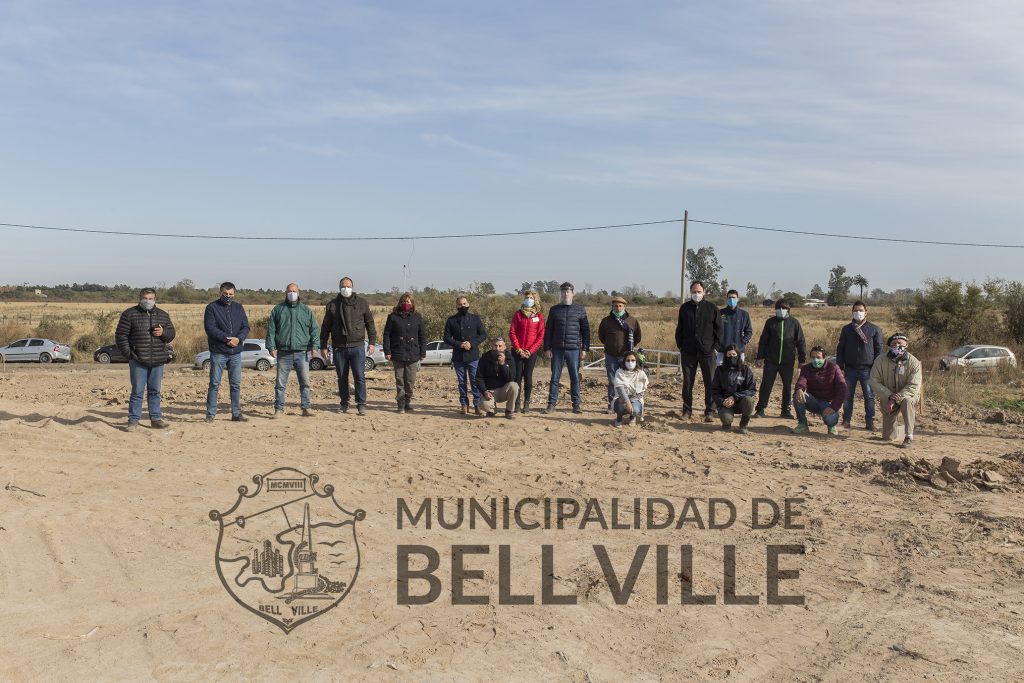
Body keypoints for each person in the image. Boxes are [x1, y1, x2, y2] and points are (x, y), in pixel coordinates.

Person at [115, 288, 176, 431]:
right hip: (138, 359)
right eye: (145, 298)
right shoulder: (129, 314)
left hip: (158, 360)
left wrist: (164, 332)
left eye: (150, 298)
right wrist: (129, 354)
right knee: (137, 391)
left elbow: (171, 334)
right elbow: (120, 336)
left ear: (155, 299)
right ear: (140, 298)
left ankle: (156, 419)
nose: (147, 301)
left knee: (155, 391)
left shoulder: (163, 315)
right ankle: (133, 421)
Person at [320, 277, 377, 416]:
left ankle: (361, 404)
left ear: (353, 287)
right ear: (339, 287)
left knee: (359, 377)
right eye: (343, 286)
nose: (346, 288)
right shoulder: (332, 305)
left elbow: (370, 324)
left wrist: (372, 342)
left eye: (348, 286)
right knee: (342, 377)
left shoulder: (362, 303)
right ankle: (344, 403)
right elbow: (325, 327)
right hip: (339, 347)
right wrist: (323, 346)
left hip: (357, 347)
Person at [266, 283, 320, 418]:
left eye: (294, 291)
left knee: (305, 383)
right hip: (284, 353)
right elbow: (271, 330)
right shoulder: (278, 309)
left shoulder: (306, 310)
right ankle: (279, 409)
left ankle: (306, 408)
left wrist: (315, 347)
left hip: (302, 353)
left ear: (298, 292)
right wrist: (271, 347)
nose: (292, 293)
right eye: (289, 291)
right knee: (280, 384)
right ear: (285, 293)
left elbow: (314, 330)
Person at [203, 282, 251, 423]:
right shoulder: (212, 308)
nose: (228, 296)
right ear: (220, 293)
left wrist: (239, 339)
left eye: (231, 294)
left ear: (234, 294)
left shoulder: (238, 307)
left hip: (235, 352)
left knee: (235, 384)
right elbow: (210, 328)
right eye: (225, 294)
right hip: (219, 352)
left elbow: (245, 326)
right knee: (214, 384)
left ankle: (236, 413)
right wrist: (226, 339)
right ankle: (210, 414)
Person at [674, 280, 721, 422]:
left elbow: (719, 330)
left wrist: (715, 347)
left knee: (710, 382)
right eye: (694, 292)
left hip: (707, 351)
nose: (696, 294)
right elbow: (679, 329)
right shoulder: (684, 308)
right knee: (688, 382)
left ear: (704, 292)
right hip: (688, 351)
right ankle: (687, 410)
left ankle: (710, 411)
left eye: (699, 292)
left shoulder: (712, 308)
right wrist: (681, 345)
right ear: (691, 292)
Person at [754, 298, 806, 419]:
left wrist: (802, 360)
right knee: (766, 384)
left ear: (788, 309)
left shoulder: (794, 323)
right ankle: (760, 409)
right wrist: (760, 357)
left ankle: (785, 410)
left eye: (784, 308)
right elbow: (763, 341)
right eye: (779, 308)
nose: (781, 310)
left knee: (787, 386)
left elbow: (801, 342)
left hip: (787, 362)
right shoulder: (770, 322)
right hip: (771, 361)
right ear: (775, 309)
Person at [836, 300, 884, 430]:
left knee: (869, 396)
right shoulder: (846, 329)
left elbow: (879, 349)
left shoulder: (874, 329)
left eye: (861, 310)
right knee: (847, 396)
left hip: (867, 369)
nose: (858, 313)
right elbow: (840, 349)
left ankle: (870, 421)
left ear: (866, 312)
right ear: (852, 312)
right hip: (850, 368)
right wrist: (840, 366)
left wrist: (876, 367)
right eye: (856, 310)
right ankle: (846, 420)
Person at [543, 282, 591, 414]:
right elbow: (548, 330)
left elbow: (585, 330)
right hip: (557, 349)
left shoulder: (580, 309)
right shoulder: (554, 310)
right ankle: (551, 404)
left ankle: (576, 404)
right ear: (560, 294)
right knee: (554, 378)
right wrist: (547, 348)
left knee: (575, 377)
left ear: (572, 293)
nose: (565, 294)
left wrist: (585, 348)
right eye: (563, 292)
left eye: (568, 291)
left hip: (574, 349)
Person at [869, 333, 922, 448]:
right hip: (887, 397)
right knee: (888, 438)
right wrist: (889, 396)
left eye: (900, 343)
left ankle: (908, 436)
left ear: (906, 344)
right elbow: (874, 381)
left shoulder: (914, 362)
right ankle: (899, 430)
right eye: (894, 343)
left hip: (906, 396)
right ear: (889, 346)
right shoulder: (880, 360)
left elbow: (914, 385)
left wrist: (896, 398)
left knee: (907, 402)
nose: (897, 345)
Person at [382, 292, 427, 413]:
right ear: (400, 303)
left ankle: (407, 402)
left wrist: (423, 352)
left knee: (410, 381)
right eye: (403, 301)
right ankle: (400, 404)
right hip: (398, 353)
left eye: (408, 302)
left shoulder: (417, 317)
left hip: (413, 353)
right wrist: (387, 351)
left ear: (412, 303)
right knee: (400, 380)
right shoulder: (393, 317)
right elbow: (386, 335)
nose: (405, 304)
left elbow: (422, 336)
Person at [444, 295, 488, 415]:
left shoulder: (475, 318)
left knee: (475, 381)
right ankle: (464, 404)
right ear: (456, 306)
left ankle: (477, 405)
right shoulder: (451, 320)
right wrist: (459, 344)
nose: (462, 306)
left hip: (473, 355)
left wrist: (471, 343)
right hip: (458, 356)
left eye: (464, 304)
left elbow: (483, 334)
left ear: (468, 304)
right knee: (462, 382)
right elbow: (446, 338)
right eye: (460, 304)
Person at [598, 296, 642, 413]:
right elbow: (601, 337)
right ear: (612, 307)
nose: (618, 308)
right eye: (615, 306)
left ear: (624, 307)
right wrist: (610, 345)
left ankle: (627, 404)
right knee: (612, 381)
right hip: (611, 356)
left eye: (620, 306)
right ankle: (612, 405)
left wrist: (629, 349)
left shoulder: (632, 320)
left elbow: (637, 336)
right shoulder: (606, 321)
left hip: (626, 357)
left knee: (627, 381)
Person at [792, 346, 847, 436]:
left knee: (831, 420)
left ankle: (831, 427)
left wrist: (834, 407)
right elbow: (801, 381)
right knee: (797, 394)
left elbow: (842, 388)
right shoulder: (806, 368)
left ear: (824, 358)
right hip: (812, 401)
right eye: (813, 357)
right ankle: (802, 424)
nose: (815, 360)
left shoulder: (834, 368)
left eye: (818, 357)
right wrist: (799, 389)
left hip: (828, 404)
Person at [508, 290, 545, 413]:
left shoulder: (539, 316)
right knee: (517, 377)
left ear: (535, 300)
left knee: (528, 376)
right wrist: (518, 349)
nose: (528, 299)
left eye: (531, 297)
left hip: (531, 352)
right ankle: (517, 403)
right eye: (527, 297)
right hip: (517, 351)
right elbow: (512, 332)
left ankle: (527, 403)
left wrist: (530, 351)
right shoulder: (518, 314)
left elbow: (540, 336)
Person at [710, 343, 756, 433]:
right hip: (725, 404)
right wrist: (722, 401)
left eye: (734, 354)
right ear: (725, 356)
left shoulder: (745, 370)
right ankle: (727, 424)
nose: (732, 357)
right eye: (729, 355)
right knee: (726, 420)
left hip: (740, 402)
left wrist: (735, 397)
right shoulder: (719, 370)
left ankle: (743, 425)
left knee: (749, 400)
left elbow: (752, 389)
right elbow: (715, 390)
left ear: (738, 355)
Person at [476, 338, 519, 419]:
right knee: (484, 405)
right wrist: (484, 391)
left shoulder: (510, 358)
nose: (498, 348)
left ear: (504, 347)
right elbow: (479, 377)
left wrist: (502, 364)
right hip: (490, 392)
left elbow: (511, 378)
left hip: (504, 390)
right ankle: (493, 410)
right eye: (495, 346)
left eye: (500, 346)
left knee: (514, 386)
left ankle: (509, 411)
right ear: (492, 346)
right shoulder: (485, 358)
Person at [612, 351, 649, 428]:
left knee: (635, 408)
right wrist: (628, 402)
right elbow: (620, 389)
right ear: (624, 361)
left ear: (636, 361)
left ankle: (633, 417)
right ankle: (619, 419)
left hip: (635, 398)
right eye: (628, 360)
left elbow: (641, 392)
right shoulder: (619, 372)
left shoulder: (641, 373)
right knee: (620, 404)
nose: (630, 362)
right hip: (621, 398)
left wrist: (632, 401)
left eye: (633, 360)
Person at [718, 289, 752, 366]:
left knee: (738, 374)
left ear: (738, 299)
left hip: (738, 351)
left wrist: (742, 341)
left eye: (733, 297)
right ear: (726, 299)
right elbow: (714, 330)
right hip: (722, 351)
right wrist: (718, 343)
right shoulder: (720, 313)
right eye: (729, 297)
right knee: (720, 374)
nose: (731, 299)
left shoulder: (744, 315)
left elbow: (749, 331)